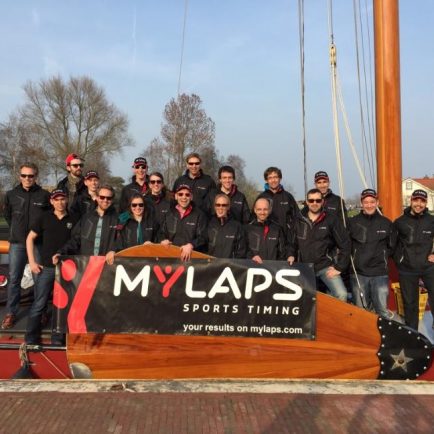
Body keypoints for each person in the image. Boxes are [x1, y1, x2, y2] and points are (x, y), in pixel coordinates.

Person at [24, 189, 78, 345]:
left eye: (62, 199)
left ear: (67, 200)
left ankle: (58, 339)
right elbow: (29, 238)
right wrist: (32, 262)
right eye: (56, 199)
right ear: (52, 201)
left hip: (66, 268)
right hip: (47, 268)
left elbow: (77, 240)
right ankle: (30, 339)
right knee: (39, 304)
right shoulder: (44, 217)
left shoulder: (74, 218)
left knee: (62, 305)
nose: (60, 202)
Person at [1, 163, 51, 330]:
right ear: (19, 176)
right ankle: (11, 313)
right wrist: (17, 231)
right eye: (24, 175)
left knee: (40, 279)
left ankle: (41, 311)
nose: (27, 178)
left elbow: (49, 218)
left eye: (31, 176)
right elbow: (8, 215)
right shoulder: (11, 194)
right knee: (14, 279)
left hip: (38, 243)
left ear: (36, 176)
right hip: (17, 243)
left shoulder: (44, 195)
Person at [288, 188, 350, 302]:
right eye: (311, 200)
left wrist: (339, 267)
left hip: (325, 267)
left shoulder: (331, 219)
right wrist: (290, 255)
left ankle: (334, 315)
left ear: (322, 202)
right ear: (307, 202)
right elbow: (292, 243)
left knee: (341, 294)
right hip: (304, 267)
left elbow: (345, 243)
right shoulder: (298, 220)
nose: (314, 203)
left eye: (318, 200)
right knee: (302, 299)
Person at [392, 189, 434, 330]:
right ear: (411, 201)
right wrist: (400, 260)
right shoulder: (400, 222)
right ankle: (413, 334)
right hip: (407, 269)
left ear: (426, 203)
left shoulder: (431, 221)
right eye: (416, 200)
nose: (419, 204)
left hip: (429, 267)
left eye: (422, 201)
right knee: (410, 304)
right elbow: (392, 244)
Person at [348, 189, 393, 317]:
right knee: (360, 311)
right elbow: (346, 246)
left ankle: (382, 331)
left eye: (372, 202)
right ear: (361, 203)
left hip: (380, 273)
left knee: (382, 310)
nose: (369, 205)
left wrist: (382, 257)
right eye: (366, 202)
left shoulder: (386, 223)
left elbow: (392, 246)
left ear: (377, 202)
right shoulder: (352, 222)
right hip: (358, 273)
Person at [53, 185, 118, 259]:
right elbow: (75, 240)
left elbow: (121, 241)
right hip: (87, 263)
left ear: (112, 200)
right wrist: (61, 252)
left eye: (109, 198)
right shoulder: (86, 218)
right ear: (97, 197)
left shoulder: (117, 219)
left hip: (107, 263)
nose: (105, 200)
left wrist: (114, 250)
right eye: (102, 197)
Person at [106, 194, 159, 264]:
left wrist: (153, 245)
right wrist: (112, 250)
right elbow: (119, 240)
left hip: (148, 260)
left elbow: (159, 238)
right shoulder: (125, 222)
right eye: (134, 205)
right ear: (130, 206)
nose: (137, 207)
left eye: (141, 205)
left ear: (144, 206)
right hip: (129, 261)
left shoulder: (152, 221)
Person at [160, 184, 207, 261]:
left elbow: (203, 237)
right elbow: (161, 233)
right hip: (171, 258)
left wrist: (191, 245)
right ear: (176, 196)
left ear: (191, 197)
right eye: (180, 194)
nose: (184, 197)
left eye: (187, 195)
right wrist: (163, 240)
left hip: (191, 259)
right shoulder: (169, 214)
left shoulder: (199, 215)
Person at [256, 167, 299, 232]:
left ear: (280, 178)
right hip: (267, 236)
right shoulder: (261, 197)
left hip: (286, 236)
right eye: (270, 178)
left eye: (275, 177)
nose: (273, 180)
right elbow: (254, 219)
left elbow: (297, 217)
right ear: (266, 180)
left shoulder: (288, 197)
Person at [245, 197, 287, 263]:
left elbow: (282, 252)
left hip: (273, 268)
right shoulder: (247, 229)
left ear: (269, 210)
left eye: (265, 209)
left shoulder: (277, 229)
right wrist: (251, 257)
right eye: (259, 209)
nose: (262, 212)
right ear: (255, 210)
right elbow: (243, 250)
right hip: (253, 267)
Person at [207, 194, 247, 258]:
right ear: (214, 207)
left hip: (230, 264)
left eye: (224, 205)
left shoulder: (237, 227)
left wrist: (232, 263)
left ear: (228, 207)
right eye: (218, 205)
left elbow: (241, 251)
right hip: (212, 263)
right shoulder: (209, 224)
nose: (220, 208)